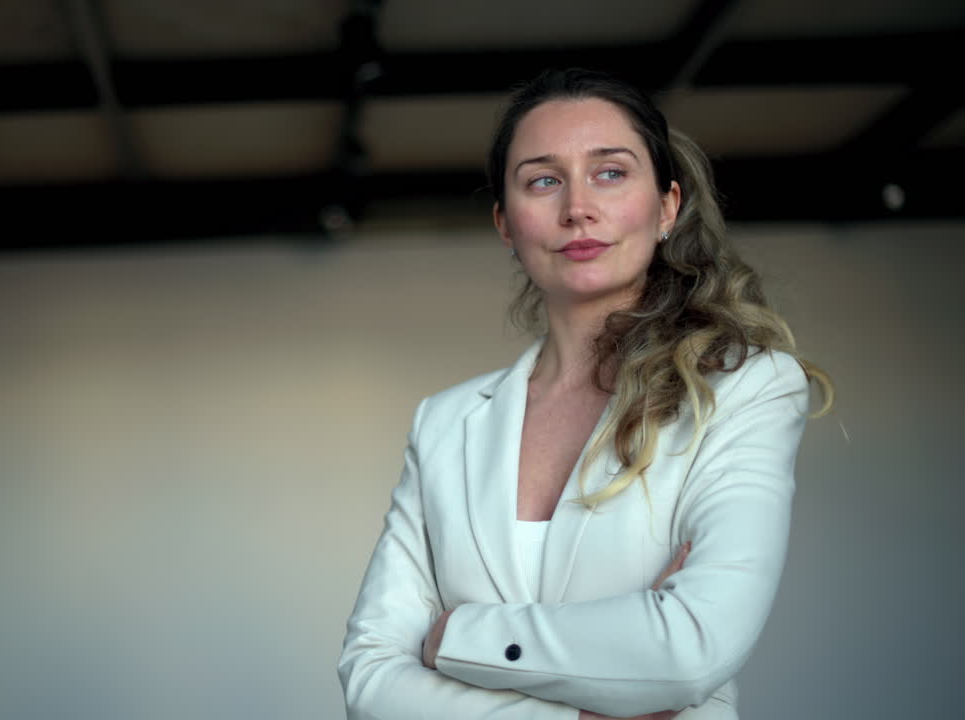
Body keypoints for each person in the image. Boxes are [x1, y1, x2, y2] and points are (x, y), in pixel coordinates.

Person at [337, 68, 833, 720]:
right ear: (506, 225)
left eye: (610, 173)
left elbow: (691, 649)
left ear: (666, 206)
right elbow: (371, 681)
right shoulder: (444, 422)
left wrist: (454, 638)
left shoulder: (747, 388)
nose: (577, 207)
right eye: (543, 180)